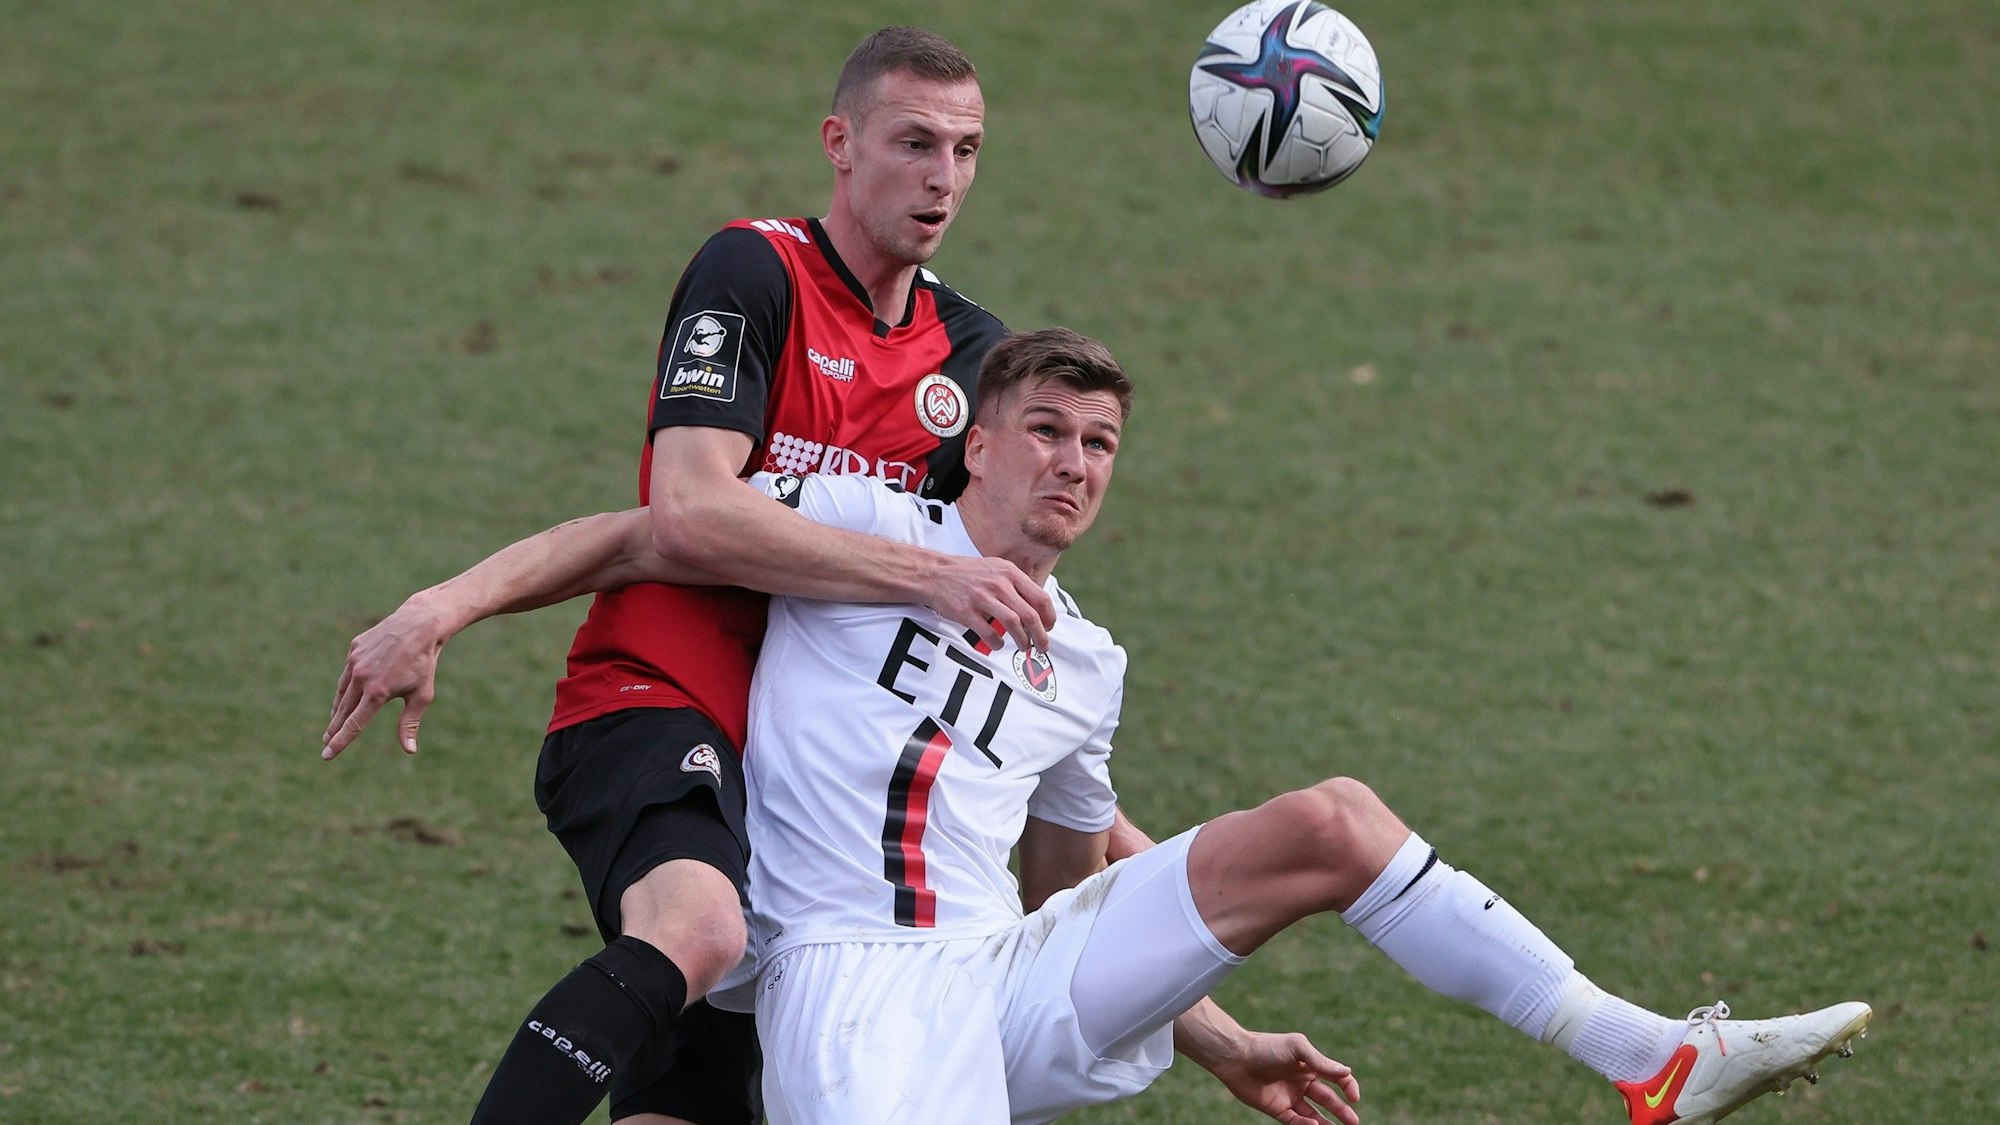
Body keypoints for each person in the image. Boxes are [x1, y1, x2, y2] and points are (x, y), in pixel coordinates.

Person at [411, 328, 1872, 1125]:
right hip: (852, 984)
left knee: (1333, 822)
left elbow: (1071, 883)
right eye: (1047, 430)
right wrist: (440, 609)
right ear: (978, 440)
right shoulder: (857, 523)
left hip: (1006, 970)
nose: (1074, 463)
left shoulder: (1084, 661)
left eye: (1100, 443)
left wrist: (1219, 1038)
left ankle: (1646, 1055)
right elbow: (648, 533)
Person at [325, 29, 1306, 1125]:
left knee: (686, 1099)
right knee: (699, 929)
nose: (943, 179)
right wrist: (440, 605)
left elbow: (1035, 755)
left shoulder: (970, 356)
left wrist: (1221, 1034)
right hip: (658, 698)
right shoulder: (757, 271)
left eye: (966, 150)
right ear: (839, 143)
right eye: (914, 143)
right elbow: (683, 514)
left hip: (807, 783)